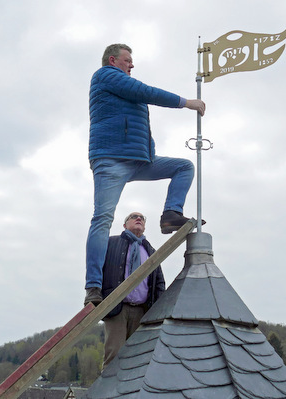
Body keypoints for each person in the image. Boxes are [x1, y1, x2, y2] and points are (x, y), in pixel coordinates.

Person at [85, 43, 206, 305]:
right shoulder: (105, 75)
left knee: (183, 166)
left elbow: (137, 118)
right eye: (128, 60)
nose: (132, 64)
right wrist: (186, 103)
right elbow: (145, 92)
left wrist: (150, 152)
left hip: (139, 160)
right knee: (103, 218)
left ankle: (170, 215)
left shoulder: (120, 84)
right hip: (111, 159)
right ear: (113, 60)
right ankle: (93, 286)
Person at [101, 211, 165, 367]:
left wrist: (159, 309)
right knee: (114, 354)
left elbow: (159, 282)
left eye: (142, 218)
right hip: (117, 308)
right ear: (124, 225)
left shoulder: (150, 251)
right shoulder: (110, 243)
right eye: (133, 217)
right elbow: (98, 269)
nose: (139, 219)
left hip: (142, 311)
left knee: (136, 357)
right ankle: (107, 391)